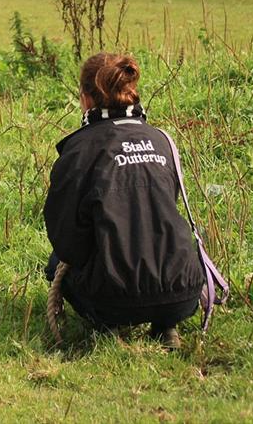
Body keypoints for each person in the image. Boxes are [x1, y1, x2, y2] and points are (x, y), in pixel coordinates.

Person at [44, 52, 204, 347]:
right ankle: (166, 324)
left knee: (55, 264)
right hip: (186, 292)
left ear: (87, 99)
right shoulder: (162, 140)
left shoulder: (78, 150)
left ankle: (109, 327)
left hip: (112, 299)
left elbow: (66, 241)